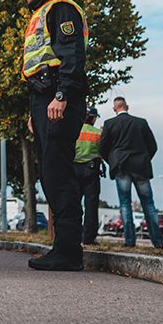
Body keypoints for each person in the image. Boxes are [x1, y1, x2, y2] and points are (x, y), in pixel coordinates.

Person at [13, 0, 88, 271]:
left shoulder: (60, 8)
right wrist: (37, 111)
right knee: (49, 173)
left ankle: (69, 251)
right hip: (44, 99)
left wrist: (62, 96)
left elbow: (71, 54)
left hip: (57, 95)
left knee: (58, 175)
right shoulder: (43, 12)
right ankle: (63, 247)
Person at [99, 96, 163, 248]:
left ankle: (129, 241)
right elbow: (152, 145)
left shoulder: (109, 124)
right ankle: (157, 242)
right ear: (127, 106)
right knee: (148, 204)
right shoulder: (141, 123)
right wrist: (144, 159)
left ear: (114, 109)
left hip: (121, 167)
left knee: (125, 204)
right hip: (141, 166)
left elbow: (102, 147)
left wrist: (113, 161)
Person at [73, 105, 103, 245]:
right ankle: (89, 238)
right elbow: (103, 151)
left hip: (73, 170)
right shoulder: (98, 133)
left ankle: (73, 236)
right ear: (94, 118)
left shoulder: (73, 131)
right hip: (91, 170)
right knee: (91, 204)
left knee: (73, 204)